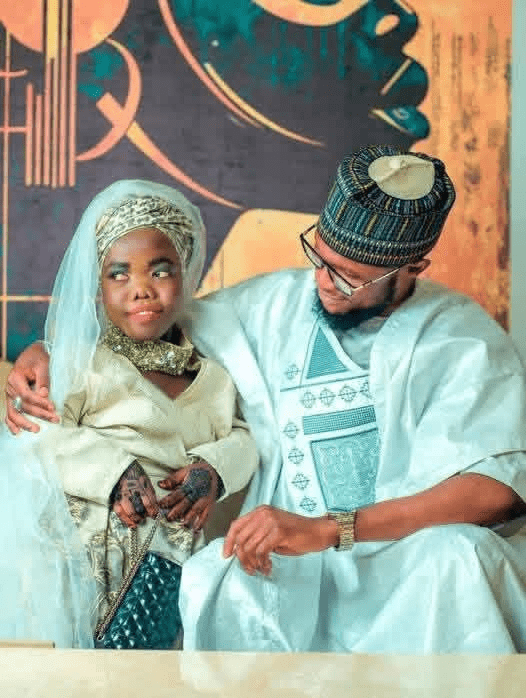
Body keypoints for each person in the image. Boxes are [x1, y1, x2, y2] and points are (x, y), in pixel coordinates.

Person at [6, 145, 526, 653]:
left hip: (402, 560)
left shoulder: (461, 340)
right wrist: (48, 353)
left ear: (415, 267)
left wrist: (330, 531)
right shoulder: (273, 304)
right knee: (220, 579)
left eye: (351, 277)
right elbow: (149, 323)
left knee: (461, 558)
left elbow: (496, 490)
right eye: (319, 258)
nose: (324, 283)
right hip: (285, 560)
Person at [1, 179, 258, 648]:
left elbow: (242, 438)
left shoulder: (214, 377)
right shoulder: (81, 365)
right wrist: (114, 470)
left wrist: (213, 470)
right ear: (98, 288)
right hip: (83, 564)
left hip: (170, 568)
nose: (141, 290)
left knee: (147, 670)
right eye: (119, 275)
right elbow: (36, 434)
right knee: (82, 669)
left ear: (186, 273)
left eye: (160, 271)